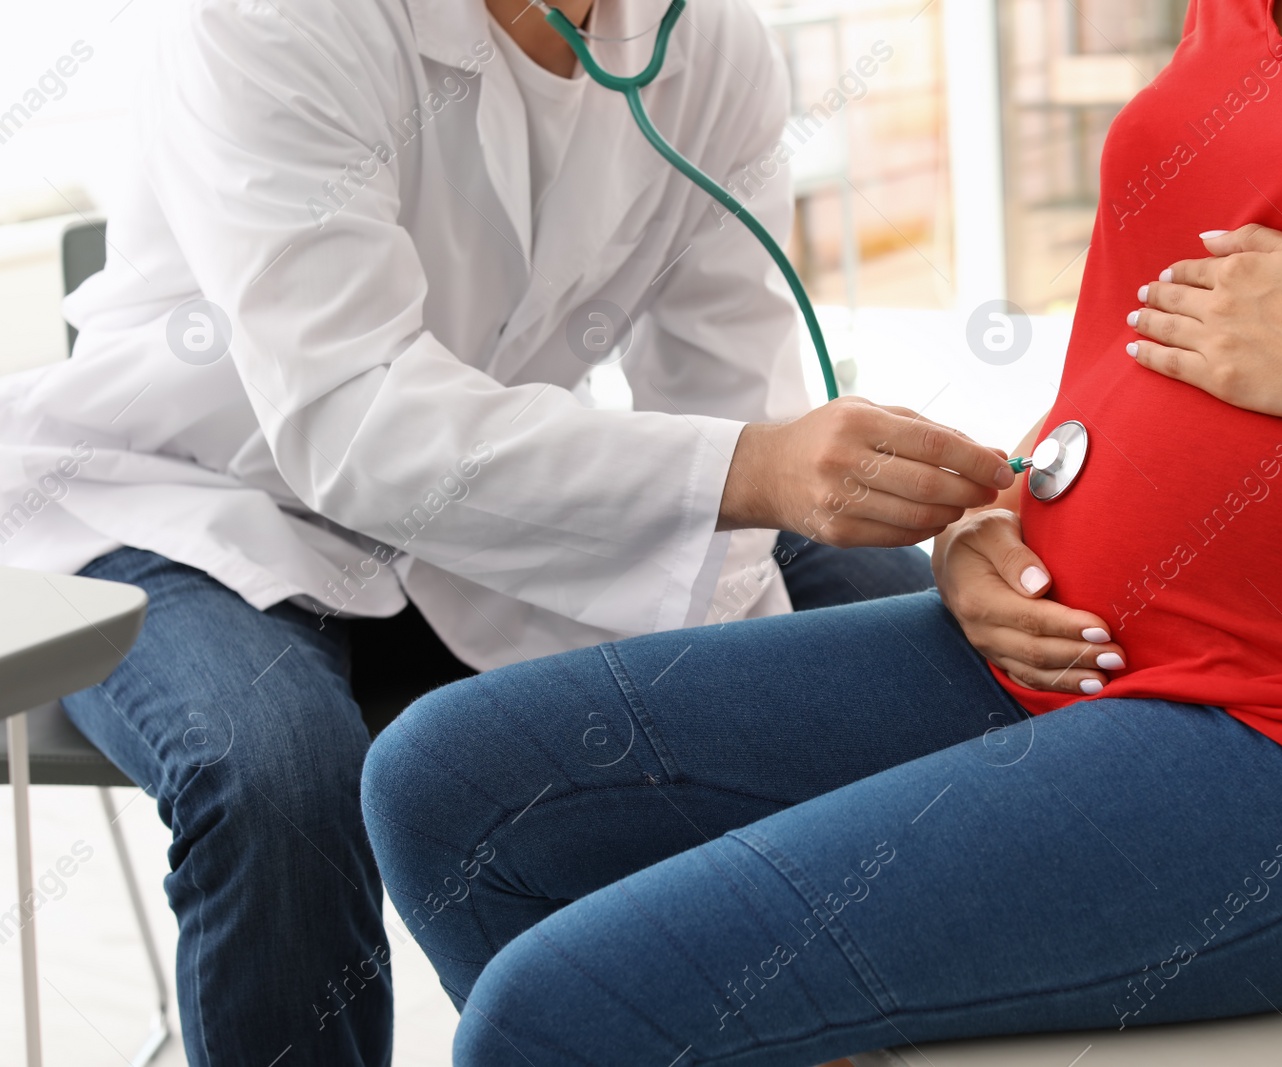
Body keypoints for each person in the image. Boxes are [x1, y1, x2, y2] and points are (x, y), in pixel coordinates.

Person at [360, 0, 1282, 1062]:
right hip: (1063, 655)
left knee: (565, 1010)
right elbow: (1143, 332)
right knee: (444, 786)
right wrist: (993, 522)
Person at [0, 0, 1012, 1062]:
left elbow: (727, 392)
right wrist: (753, 474)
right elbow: (358, 421)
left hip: (471, 503)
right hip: (193, 500)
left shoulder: (709, 45)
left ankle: (845, 1009)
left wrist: (732, 715)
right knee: (275, 774)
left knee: (881, 608)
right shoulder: (271, 18)